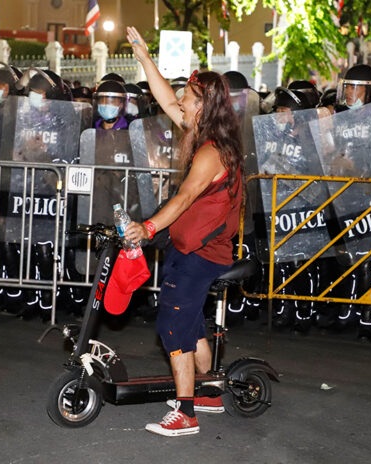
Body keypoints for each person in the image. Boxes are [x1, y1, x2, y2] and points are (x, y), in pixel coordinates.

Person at [124, 26, 244, 437]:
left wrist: (149, 226)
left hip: (203, 253)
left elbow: (186, 197)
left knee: (173, 325)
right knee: (190, 322)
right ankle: (210, 393)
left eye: (187, 99)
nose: (179, 103)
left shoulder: (211, 152)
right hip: (191, 246)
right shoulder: (200, 132)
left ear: (203, 107)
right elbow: (164, 97)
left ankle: (187, 413)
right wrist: (143, 58)